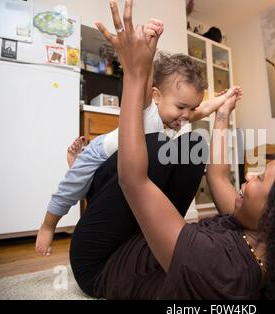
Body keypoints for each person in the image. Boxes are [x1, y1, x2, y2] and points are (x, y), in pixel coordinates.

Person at [69, 0, 275, 300]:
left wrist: (135, 73)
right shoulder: (262, 238)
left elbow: (133, 180)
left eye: (261, 180)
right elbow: (218, 177)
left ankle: (89, 179)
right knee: (192, 145)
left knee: (158, 147)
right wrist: (223, 115)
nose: (249, 178)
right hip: (139, 240)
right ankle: (95, 181)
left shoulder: (222, 269)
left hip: (98, 262)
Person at [35, 19, 243, 256]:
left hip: (122, 166)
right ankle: (48, 225)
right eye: (181, 107)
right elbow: (141, 79)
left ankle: (89, 180)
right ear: (156, 96)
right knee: (71, 187)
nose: (187, 115)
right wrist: (149, 49)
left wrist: (223, 100)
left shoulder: (178, 118)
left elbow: (204, 109)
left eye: (190, 108)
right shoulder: (148, 111)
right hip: (99, 154)